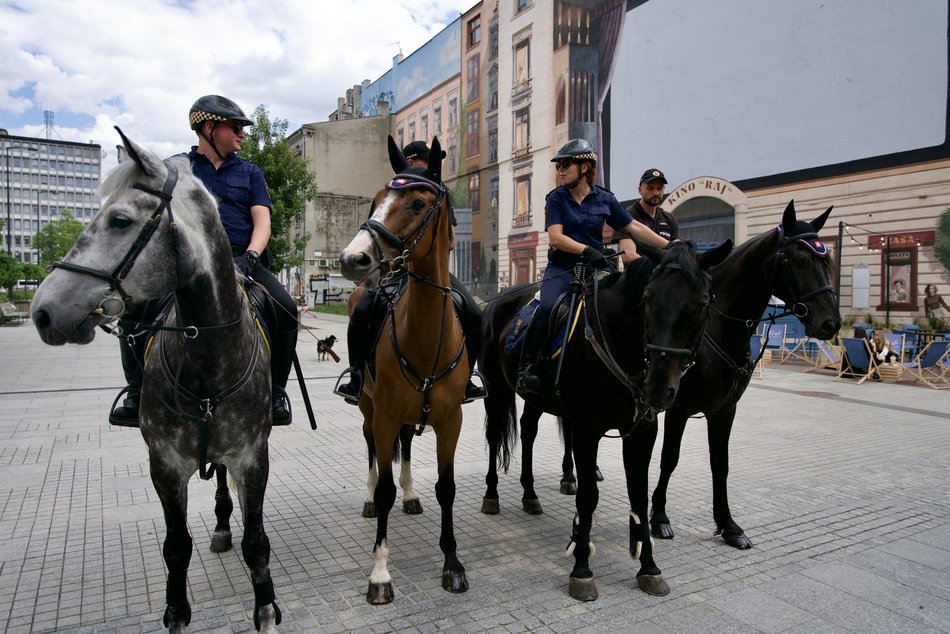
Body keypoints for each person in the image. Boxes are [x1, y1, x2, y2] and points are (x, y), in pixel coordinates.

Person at [110, 95, 298, 427]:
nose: (242, 134)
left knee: (286, 309)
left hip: (243, 262)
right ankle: (136, 392)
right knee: (136, 311)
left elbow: (262, 222)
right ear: (209, 127)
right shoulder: (175, 170)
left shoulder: (250, 172)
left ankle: (277, 392)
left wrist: (250, 257)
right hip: (187, 266)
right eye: (236, 127)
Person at [335, 140, 486, 404]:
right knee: (362, 309)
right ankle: (356, 374)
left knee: (473, 314)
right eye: (424, 162)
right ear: (411, 163)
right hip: (393, 271)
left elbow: (450, 242)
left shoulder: (437, 192)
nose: (428, 167)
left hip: (432, 271)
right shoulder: (387, 195)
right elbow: (374, 237)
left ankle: (467, 378)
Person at [516, 139, 670, 394]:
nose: (560, 170)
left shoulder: (605, 199)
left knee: (629, 304)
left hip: (597, 268)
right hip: (563, 268)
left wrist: (669, 244)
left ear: (585, 167)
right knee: (547, 307)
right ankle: (527, 368)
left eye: (566, 164)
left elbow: (634, 227)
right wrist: (588, 250)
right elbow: (556, 238)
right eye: (559, 165)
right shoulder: (556, 198)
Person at [613, 168, 679, 266]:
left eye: (660, 188)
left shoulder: (669, 218)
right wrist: (657, 269)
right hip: (640, 278)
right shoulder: (626, 217)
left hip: (666, 278)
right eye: (650, 188)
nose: (656, 193)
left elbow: (678, 251)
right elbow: (629, 256)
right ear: (640, 190)